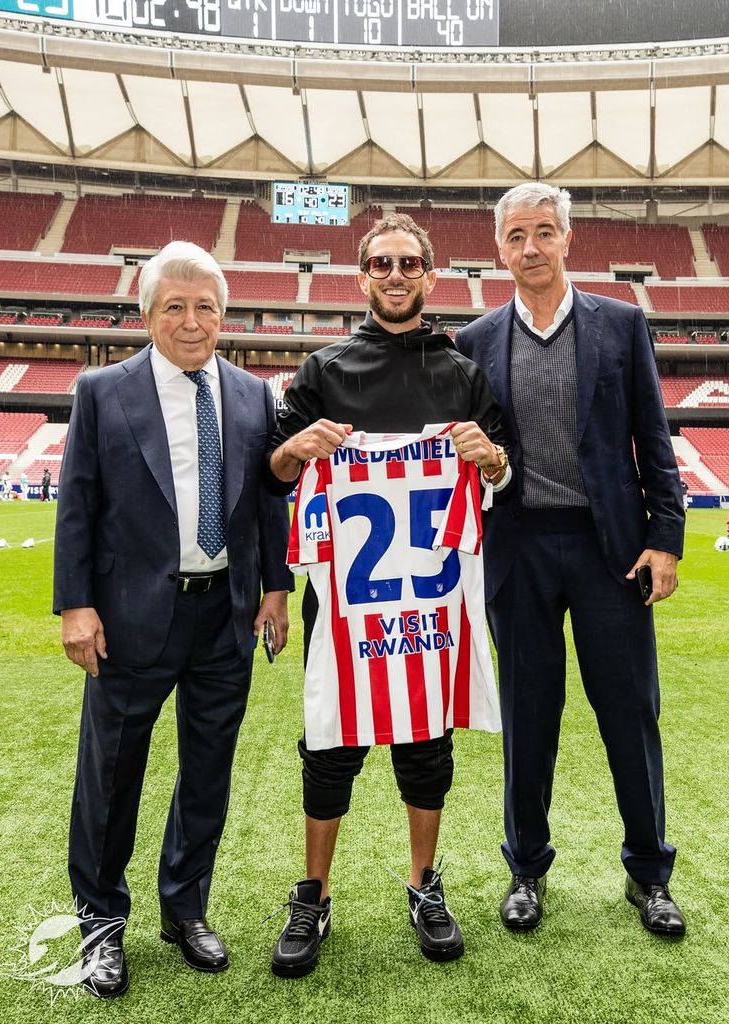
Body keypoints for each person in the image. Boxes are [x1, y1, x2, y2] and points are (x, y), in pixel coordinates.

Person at [265, 213, 511, 977]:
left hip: (429, 606)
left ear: (430, 276)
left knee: (425, 747)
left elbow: (501, 472)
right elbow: (271, 471)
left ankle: (423, 884)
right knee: (329, 745)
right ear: (362, 275)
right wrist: (295, 448)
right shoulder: (323, 369)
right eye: (381, 264)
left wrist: (489, 457)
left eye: (408, 264)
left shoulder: (462, 373)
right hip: (345, 605)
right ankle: (313, 893)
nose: (395, 275)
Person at [53, 240, 294, 998]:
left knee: (207, 774)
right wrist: (76, 605)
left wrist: (277, 588)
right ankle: (101, 924)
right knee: (111, 775)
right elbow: (77, 502)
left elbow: (268, 502)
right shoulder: (102, 390)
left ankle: (184, 909)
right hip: (128, 618)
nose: (192, 322)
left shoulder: (253, 395)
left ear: (224, 314)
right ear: (147, 314)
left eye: (206, 307)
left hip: (225, 616)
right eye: (175, 307)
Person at [456, 183, 686, 937]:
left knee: (630, 711)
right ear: (500, 248)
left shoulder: (620, 324)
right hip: (517, 546)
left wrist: (665, 538)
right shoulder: (474, 341)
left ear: (566, 239)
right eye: (516, 235)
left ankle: (649, 873)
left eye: (544, 232)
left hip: (608, 549)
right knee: (528, 716)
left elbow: (652, 436)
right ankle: (525, 867)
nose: (531, 247)